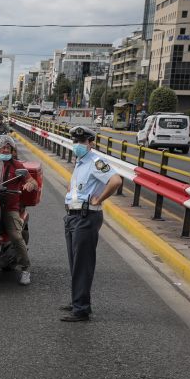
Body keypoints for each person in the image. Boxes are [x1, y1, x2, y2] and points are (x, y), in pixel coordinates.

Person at [61, 125, 123, 322]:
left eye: (82, 141)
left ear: (90, 143)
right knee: (75, 262)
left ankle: (81, 308)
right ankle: (77, 300)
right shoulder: (80, 162)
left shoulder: (96, 162)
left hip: (86, 217)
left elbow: (115, 181)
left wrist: (100, 199)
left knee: (82, 264)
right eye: (75, 141)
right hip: (73, 216)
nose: (78, 145)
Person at [0, 135, 37, 286]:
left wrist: (30, 184)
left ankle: (25, 269)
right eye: (2, 148)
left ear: (12, 150)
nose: (5, 150)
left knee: (16, 237)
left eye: (8, 148)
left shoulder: (17, 166)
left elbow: (32, 181)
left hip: (9, 208)